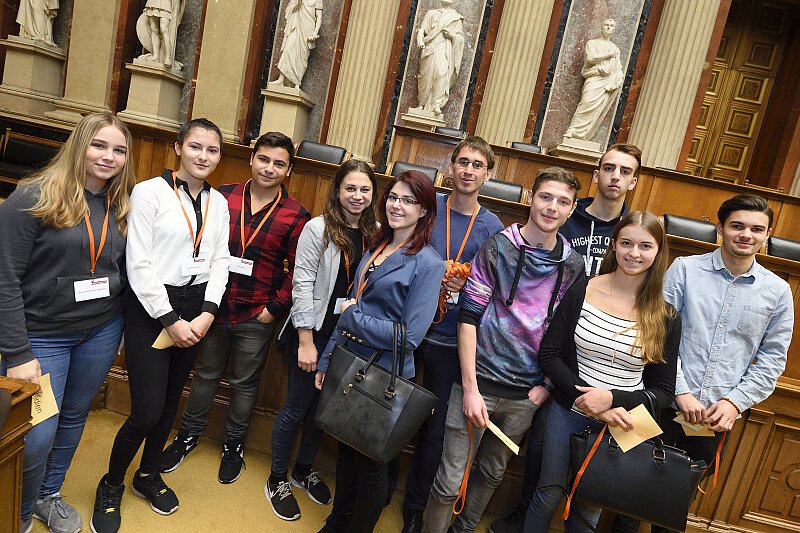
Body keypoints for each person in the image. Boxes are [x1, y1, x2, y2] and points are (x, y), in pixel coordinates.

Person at [423, 167, 586, 533]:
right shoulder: (498, 247)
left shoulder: (573, 266)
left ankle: (463, 529)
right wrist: (470, 388)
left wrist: (545, 388)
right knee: (449, 481)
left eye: (563, 202)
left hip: (526, 394)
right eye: (546, 197)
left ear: (572, 209)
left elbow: (566, 334)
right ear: (531, 198)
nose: (552, 208)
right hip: (476, 382)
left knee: (492, 472)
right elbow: (468, 316)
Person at [490, 142, 641, 533]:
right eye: (609, 168)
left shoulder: (632, 231)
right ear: (596, 173)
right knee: (542, 449)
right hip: (551, 349)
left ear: (634, 181)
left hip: (605, 354)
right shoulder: (566, 216)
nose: (615, 177)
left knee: (595, 477)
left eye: (625, 171)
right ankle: (525, 512)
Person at [619, 194, 794, 533]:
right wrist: (680, 391)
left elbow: (773, 360)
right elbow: (655, 334)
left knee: (672, 505)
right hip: (656, 402)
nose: (746, 235)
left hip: (711, 418)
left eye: (756, 229)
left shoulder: (778, 291)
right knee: (623, 492)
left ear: (767, 234)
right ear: (720, 228)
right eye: (737, 226)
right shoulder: (685, 269)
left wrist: (734, 402)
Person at [90, 118, 231, 533]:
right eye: (196, 147)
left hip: (197, 307)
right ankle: (111, 484)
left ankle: (148, 474)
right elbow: (139, 264)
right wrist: (169, 320)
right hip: (153, 308)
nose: (203, 156)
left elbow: (221, 261)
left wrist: (207, 313)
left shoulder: (219, 203)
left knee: (171, 402)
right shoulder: (149, 192)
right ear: (178, 148)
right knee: (146, 411)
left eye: (212, 150)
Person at [0, 112, 135, 533]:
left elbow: (124, 272)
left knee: (75, 415)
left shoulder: (123, 205)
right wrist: (17, 352)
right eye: (99, 145)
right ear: (79, 145)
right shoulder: (33, 196)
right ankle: (17, 512)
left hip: (100, 330)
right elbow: (4, 278)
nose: (109, 157)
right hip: (42, 337)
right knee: (37, 432)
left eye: (119, 150)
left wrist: (121, 329)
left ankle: (48, 495)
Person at [158, 132, 310, 485]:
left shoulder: (296, 214)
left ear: (289, 170)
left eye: (279, 164)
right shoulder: (221, 196)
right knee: (205, 374)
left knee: (244, 382)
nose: (269, 168)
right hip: (212, 308)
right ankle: (188, 435)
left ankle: (234, 444)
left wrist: (274, 308)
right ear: (252, 159)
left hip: (257, 313)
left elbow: (298, 271)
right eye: (264, 159)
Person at [524, 211, 680, 533]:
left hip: (628, 422)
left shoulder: (666, 316)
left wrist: (610, 400)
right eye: (626, 243)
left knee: (591, 506)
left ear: (658, 251)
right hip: (569, 408)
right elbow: (550, 355)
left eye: (645, 246)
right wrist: (590, 402)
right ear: (614, 245)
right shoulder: (583, 289)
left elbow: (664, 393)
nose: (634, 253)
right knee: (548, 493)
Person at [315, 170, 446, 532]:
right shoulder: (377, 243)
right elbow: (353, 302)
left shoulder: (429, 263)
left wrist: (353, 317)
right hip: (349, 361)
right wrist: (327, 359)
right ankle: (338, 519)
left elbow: (410, 337)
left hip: (384, 374)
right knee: (345, 448)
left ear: (424, 210)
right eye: (393, 197)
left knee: (371, 465)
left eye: (408, 200)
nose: (397, 206)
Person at [401, 137, 503, 533]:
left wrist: (467, 283)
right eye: (463, 162)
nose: (468, 170)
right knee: (392, 412)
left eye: (478, 165)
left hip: (451, 341)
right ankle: (378, 491)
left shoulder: (492, 226)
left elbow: (494, 289)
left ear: (488, 174)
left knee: (435, 432)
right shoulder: (429, 209)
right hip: (411, 332)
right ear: (451, 166)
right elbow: (403, 254)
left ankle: (414, 510)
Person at [267, 159, 378, 521]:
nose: (357, 196)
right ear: (337, 190)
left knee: (323, 411)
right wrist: (305, 340)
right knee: (297, 407)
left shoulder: (377, 233)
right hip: (312, 332)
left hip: (347, 337)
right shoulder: (318, 228)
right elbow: (301, 284)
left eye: (364, 189)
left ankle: (302, 470)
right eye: (350, 188)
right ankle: (277, 478)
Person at [563, 19, 624, 141]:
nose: (608, 27)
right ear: (601, 28)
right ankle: (573, 129)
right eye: (606, 25)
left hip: (607, 81)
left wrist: (618, 79)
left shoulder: (615, 48)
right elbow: (590, 59)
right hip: (594, 77)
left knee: (597, 108)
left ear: (614, 30)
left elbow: (617, 68)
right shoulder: (592, 43)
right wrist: (608, 55)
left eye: (611, 26)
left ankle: (585, 134)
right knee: (586, 102)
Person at [414, 0, 465, 117]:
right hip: (430, 48)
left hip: (444, 49)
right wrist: (420, 41)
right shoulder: (432, 13)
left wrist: (451, 35)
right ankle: (422, 103)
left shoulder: (456, 18)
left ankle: (436, 104)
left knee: (441, 73)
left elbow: (460, 38)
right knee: (426, 76)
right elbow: (422, 30)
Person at [273, 0, 324, 88]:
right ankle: (281, 79)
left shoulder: (318, 0)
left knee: (302, 55)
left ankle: (297, 82)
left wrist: (315, 33)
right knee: (288, 49)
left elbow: (319, 18)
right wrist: (297, 4)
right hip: (296, 26)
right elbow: (289, 10)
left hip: (308, 29)